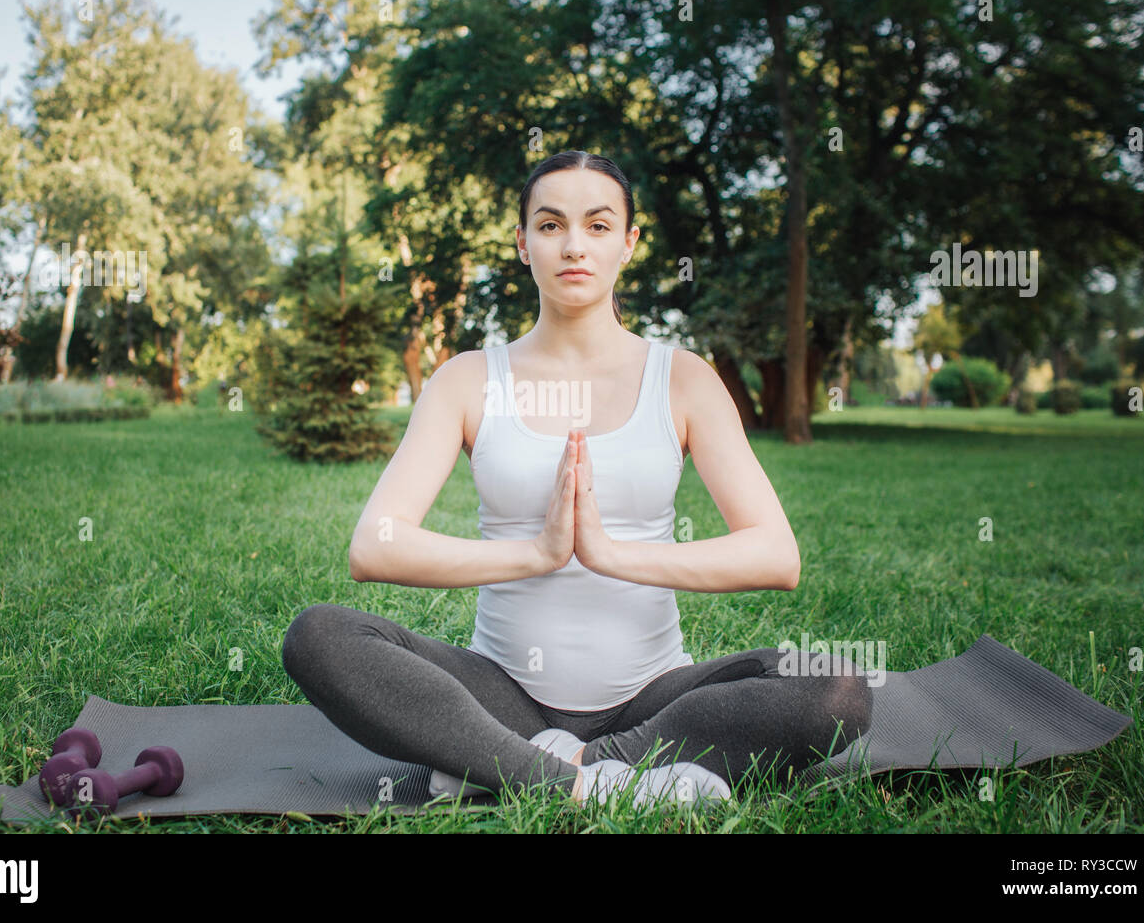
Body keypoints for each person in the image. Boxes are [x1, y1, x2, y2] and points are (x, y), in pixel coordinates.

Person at [282, 150, 872, 809]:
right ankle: (604, 781)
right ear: (523, 244)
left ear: (629, 243)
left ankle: (531, 769)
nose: (573, 245)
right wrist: (537, 553)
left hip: (655, 697)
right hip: (504, 694)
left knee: (835, 685)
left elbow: (775, 553)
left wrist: (610, 553)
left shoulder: (682, 379)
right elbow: (376, 545)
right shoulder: (469, 379)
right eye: (550, 223)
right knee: (318, 635)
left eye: (596, 225)